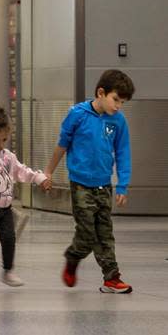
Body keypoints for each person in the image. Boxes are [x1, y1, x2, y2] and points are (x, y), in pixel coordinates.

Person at [44, 69, 134, 294]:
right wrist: (48, 172)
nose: (118, 106)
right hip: (81, 184)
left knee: (105, 233)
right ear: (101, 93)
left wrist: (122, 184)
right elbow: (62, 145)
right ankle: (73, 257)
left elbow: (123, 152)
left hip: (104, 185)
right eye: (115, 100)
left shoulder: (118, 121)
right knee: (86, 234)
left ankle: (112, 278)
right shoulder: (77, 114)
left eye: (122, 102)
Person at [0, 101, 51, 292]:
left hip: (5, 208)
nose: (0, 145)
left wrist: (39, 178)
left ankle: (8, 270)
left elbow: (22, 171)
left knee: (9, 238)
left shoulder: (8, 157)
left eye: (4, 140)